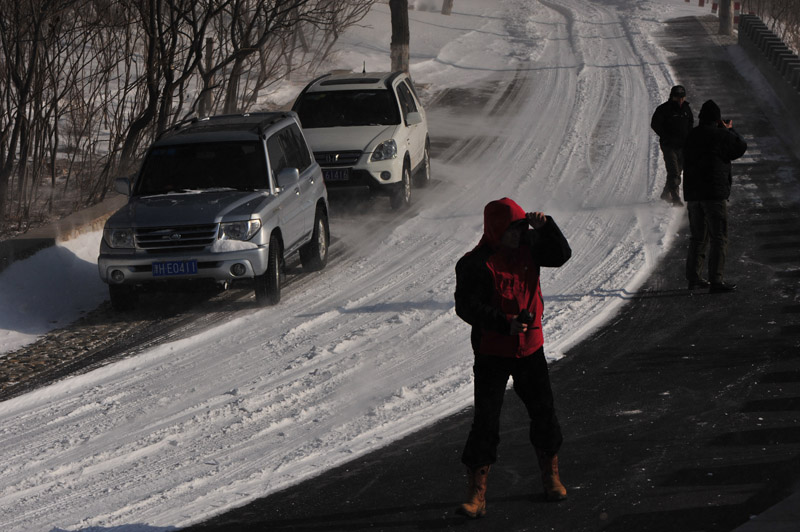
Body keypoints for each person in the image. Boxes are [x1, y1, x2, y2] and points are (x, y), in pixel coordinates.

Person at [453, 197, 572, 518]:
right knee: (485, 422)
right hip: (493, 352)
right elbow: (467, 307)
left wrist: (546, 227)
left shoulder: (531, 245)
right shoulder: (474, 263)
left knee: (543, 413)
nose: (518, 235)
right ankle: (477, 494)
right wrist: (503, 324)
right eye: (512, 230)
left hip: (530, 349)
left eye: (521, 228)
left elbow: (561, 255)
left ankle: (551, 477)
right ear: (495, 229)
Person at [683, 99, 747, 293]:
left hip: (694, 194)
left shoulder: (691, 135)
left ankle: (694, 279)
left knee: (698, 238)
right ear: (717, 119)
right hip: (714, 193)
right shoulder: (721, 135)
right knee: (719, 237)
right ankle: (716, 281)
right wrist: (729, 130)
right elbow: (740, 147)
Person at [651, 85, 694, 206]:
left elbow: (690, 122)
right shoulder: (664, 109)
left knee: (677, 171)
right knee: (674, 171)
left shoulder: (686, 109)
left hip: (683, 146)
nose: (680, 100)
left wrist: (689, 137)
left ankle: (666, 193)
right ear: (672, 97)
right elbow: (655, 124)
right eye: (677, 97)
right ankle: (675, 198)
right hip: (669, 146)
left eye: (682, 97)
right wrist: (666, 136)